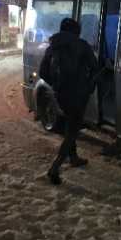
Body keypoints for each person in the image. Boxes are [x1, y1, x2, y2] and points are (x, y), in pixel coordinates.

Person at [40, 18, 99, 185]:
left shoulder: (53, 46)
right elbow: (94, 67)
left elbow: (43, 72)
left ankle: (73, 157)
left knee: (69, 123)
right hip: (78, 94)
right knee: (73, 130)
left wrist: (57, 86)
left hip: (61, 94)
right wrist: (88, 87)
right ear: (76, 31)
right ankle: (55, 168)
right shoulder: (82, 45)